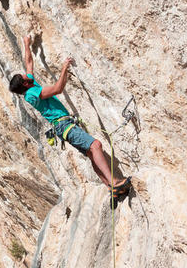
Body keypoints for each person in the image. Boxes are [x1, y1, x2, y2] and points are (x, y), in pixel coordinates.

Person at [9, 35, 131, 205]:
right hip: (64, 125)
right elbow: (58, 89)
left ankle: (111, 188)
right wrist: (64, 68)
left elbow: (29, 62)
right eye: (24, 77)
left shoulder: (30, 85)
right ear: (25, 84)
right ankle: (115, 183)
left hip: (64, 126)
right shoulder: (31, 94)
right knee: (96, 146)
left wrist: (26, 44)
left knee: (91, 153)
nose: (26, 74)